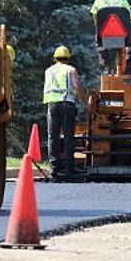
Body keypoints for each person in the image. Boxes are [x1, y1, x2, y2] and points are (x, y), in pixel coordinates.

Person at [43, 45, 87, 180]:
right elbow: (77, 86)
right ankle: (69, 168)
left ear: (55, 58)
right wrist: (86, 103)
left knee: (53, 137)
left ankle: (54, 169)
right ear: (68, 59)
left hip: (52, 105)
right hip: (67, 104)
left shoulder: (48, 71)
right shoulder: (70, 70)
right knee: (68, 136)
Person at [90, 0, 131, 74]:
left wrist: (99, 29)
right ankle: (129, 64)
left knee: (98, 41)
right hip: (123, 37)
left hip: (104, 36)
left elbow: (94, 15)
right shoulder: (122, 0)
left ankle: (107, 65)